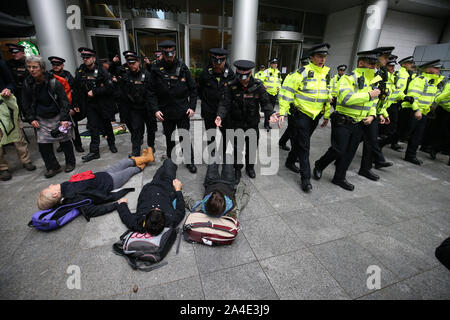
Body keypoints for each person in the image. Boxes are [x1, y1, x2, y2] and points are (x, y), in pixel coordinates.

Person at [313, 49, 381, 191]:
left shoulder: (373, 80)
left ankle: (339, 178)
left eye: (375, 63)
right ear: (361, 62)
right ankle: (319, 164)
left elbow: (373, 102)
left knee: (349, 153)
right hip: (343, 121)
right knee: (338, 150)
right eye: (370, 63)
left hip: (359, 122)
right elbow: (345, 99)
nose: (373, 66)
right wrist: (369, 94)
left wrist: (372, 115)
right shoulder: (348, 78)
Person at [275, 43, 331, 193]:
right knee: (305, 146)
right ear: (311, 58)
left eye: (324, 56)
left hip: (315, 116)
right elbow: (287, 93)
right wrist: (282, 112)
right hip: (301, 114)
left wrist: (326, 115)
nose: (322, 59)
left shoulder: (326, 74)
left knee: (301, 142)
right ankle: (305, 178)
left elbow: (327, 95)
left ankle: (290, 161)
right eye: (319, 56)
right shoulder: (301, 73)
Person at [37, 151, 154, 218]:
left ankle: (144, 158)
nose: (50, 184)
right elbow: (91, 211)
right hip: (111, 182)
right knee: (130, 171)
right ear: (55, 194)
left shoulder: (65, 188)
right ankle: (146, 160)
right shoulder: (73, 196)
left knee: (124, 162)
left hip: (103, 175)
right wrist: (116, 205)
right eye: (49, 188)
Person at [215, 59, 277, 183]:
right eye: (240, 76)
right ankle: (237, 169)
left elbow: (265, 102)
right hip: (235, 123)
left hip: (252, 123)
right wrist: (220, 116)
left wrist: (270, 113)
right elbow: (225, 103)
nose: (242, 80)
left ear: (250, 73)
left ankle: (250, 167)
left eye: (245, 77)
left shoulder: (258, 86)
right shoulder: (231, 85)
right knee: (237, 148)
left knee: (252, 147)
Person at [22, 55, 75, 178]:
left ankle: (70, 163)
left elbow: (64, 101)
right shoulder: (27, 83)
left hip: (57, 116)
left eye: (34, 67)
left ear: (42, 68)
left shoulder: (54, 81)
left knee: (65, 140)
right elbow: (25, 102)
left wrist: (64, 118)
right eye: (29, 67)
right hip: (40, 118)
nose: (31, 70)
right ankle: (52, 167)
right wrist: (31, 118)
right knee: (43, 145)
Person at [149, 40, 198, 174]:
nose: (170, 57)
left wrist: (192, 107)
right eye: (167, 54)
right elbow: (151, 92)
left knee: (185, 137)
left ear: (175, 52)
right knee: (169, 138)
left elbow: (193, 89)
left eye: (172, 54)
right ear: (162, 54)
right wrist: (155, 109)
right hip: (165, 111)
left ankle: (189, 162)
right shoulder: (155, 69)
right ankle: (170, 162)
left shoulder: (182, 67)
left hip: (182, 110)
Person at [116, 158, 186, 236]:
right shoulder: (171, 220)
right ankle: (166, 161)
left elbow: (126, 216)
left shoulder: (138, 223)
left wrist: (122, 204)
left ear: (146, 219)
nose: (156, 208)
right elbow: (181, 210)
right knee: (169, 162)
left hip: (153, 184)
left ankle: (163, 164)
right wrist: (178, 189)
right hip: (167, 185)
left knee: (161, 170)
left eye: (153, 210)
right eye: (159, 210)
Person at [72, 47, 117, 162]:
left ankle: (111, 144)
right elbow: (76, 89)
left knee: (107, 125)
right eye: (83, 58)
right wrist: (76, 103)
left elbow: (110, 87)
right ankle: (94, 151)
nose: (85, 59)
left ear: (93, 58)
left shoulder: (102, 71)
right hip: (90, 105)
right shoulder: (80, 71)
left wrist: (96, 91)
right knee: (93, 127)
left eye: (88, 57)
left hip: (102, 103)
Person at [357, 46, 394, 182]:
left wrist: (381, 112)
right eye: (385, 57)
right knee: (350, 142)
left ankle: (365, 168)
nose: (387, 60)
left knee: (371, 141)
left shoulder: (383, 73)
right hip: (358, 111)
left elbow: (381, 96)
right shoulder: (365, 72)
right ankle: (337, 161)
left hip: (372, 112)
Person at [401, 59, 444, 165]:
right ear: (428, 69)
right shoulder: (420, 80)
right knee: (402, 133)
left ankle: (410, 155)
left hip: (423, 112)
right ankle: (380, 143)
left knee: (417, 135)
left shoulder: (433, 81)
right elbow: (413, 96)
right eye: (436, 68)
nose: (438, 70)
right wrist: (416, 110)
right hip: (414, 110)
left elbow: (434, 96)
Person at [0, 59, 36, 181]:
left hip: (5, 105)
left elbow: (11, 82)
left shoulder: (1, 63)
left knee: (17, 134)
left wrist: (8, 89)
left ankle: (26, 160)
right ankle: (3, 168)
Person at [182, 159, 250, 220]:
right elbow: (244, 198)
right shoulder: (233, 211)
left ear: (206, 204)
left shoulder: (200, 208)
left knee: (214, 156)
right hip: (228, 183)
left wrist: (178, 189)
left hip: (211, 182)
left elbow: (188, 201)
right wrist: (242, 185)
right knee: (227, 157)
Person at [118, 52, 156, 157]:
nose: (132, 65)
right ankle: (135, 150)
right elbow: (123, 93)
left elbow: (152, 92)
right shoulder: (126, 76)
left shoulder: (147, 75)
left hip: (147, 107)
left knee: (151, 129)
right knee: (136, 129)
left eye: (134, 63)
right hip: (135, 108)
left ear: (138, 62)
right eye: (129, 64)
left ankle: (151, 146)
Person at [198, 48, 234, 149]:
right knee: (210, 135)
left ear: (225, 60)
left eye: (220, 61)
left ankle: (223, 153)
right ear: (212, 60)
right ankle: (212, 154)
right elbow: (200, 90)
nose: (217, 64)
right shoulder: (205, 73)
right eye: (215, 61)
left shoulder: (230, 74)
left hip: (225, 111)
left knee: (226, 134)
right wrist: (207, 102)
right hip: (209, 110)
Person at [48, 56, 84, 153]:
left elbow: (74, 92)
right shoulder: (49, 76)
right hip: (56, 106)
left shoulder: (68, 76)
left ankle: (78, 145)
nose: (55, 66)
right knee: (59, 127)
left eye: (58, 65)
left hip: (69, 105)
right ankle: (62, 145)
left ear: (62, 65)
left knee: (74, 127)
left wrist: (74, 106)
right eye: (54, 65)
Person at [277, 55, 310, 152]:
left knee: (292, 129)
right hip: (295, 109)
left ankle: (282, 142)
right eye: (304, 64)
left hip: (307, 110)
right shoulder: (294, 75)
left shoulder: (316, 76)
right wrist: (283, 109)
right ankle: (295, 155)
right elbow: (285, 92)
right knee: (295, 133)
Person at [430, 76, 450, 165]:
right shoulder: (449, 85)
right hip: (445, 112)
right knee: (444, 133)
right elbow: (440, 97)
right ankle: (434, 149)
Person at [5, 43, 28, 117]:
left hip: (27, 91)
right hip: (15, 93)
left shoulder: (29, 62)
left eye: (16, 52)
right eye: (12, 52)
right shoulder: (9, 64)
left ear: (23, 53)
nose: (13, 54)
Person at [262, 58, 281, 131]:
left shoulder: (278, 72)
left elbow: (279, 81)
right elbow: (261, 80)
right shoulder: (266, 71)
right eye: (273, 63)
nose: (275, 64)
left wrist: (279, 87)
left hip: (274, 93)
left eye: (276, 63)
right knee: (268, 109)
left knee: (271, 110)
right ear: (271, 64)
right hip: (268, 93)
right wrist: (264, 85)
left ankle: (268, 123)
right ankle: (266, 125)